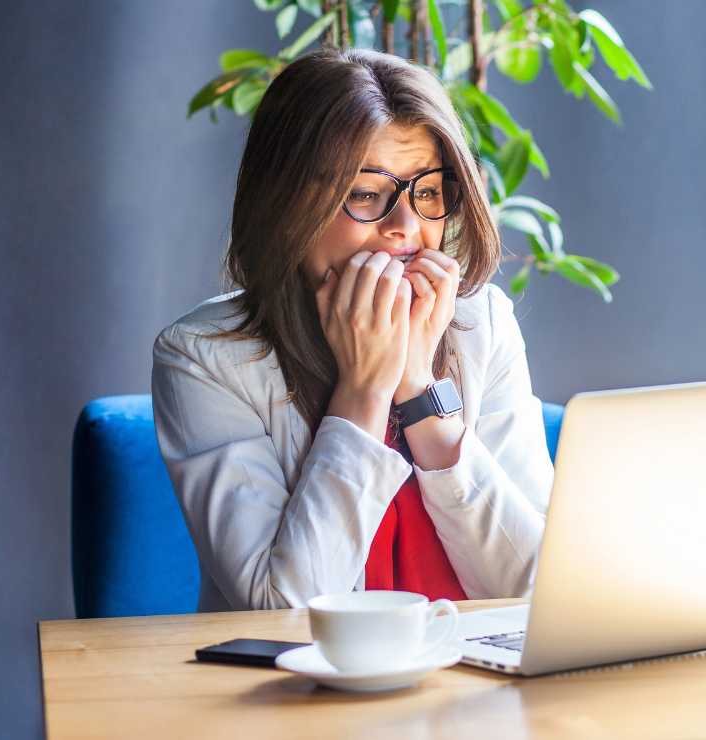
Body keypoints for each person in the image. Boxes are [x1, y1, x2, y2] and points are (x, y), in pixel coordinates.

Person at [151, 47, 553, 612]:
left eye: (429, 191)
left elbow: (539, 589)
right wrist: (364, 392)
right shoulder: (204, 357)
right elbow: (283, 613)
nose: (406, 227)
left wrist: (418, 390)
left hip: (471, 686)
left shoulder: (481, 325)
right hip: (299, 695)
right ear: (286, 205)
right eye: (366, 195)